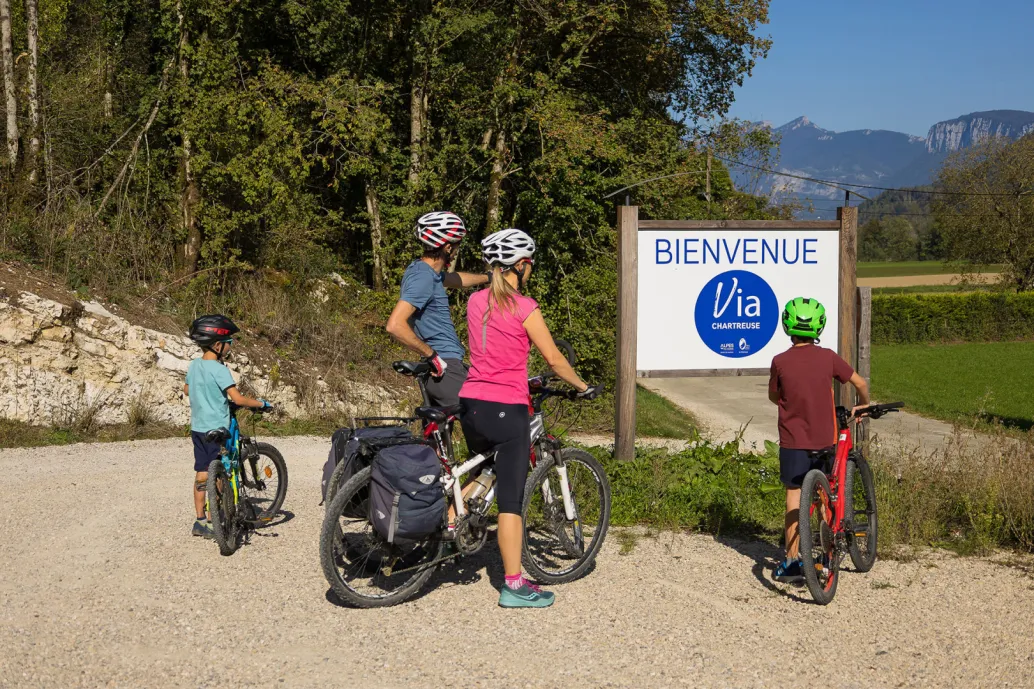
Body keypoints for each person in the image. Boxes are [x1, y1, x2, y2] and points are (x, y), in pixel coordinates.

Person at [458, 228, 600, 608]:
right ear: (520, 265)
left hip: (471, 403)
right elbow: (554, 359)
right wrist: (583, 386)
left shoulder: (475, 302)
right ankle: (514, 586)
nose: (531, 269)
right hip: (506, 408)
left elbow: (492, 354)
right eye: (530, 264)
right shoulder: (525, 307)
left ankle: (448, 523)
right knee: (510, 501)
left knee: (482, 472)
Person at [767, 297, 869, 582]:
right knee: (825, 495)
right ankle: (828, 556)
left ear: (787, 326)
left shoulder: (779, 361)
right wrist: (862, 404)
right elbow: (860, 383)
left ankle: (791, 561)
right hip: (825, 439)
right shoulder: (828, 357)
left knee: (794, 495)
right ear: (818, 327)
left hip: (792, 441)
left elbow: (774, 396)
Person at [386, 211, 488, 407]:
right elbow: (395, 325)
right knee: (486, 415)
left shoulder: (425, 272)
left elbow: (455, 279)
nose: (457, 250)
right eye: (457, 245)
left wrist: (488, 278)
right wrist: (432, 356)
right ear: (448, 247)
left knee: (441, 428)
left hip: (444, 367)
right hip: (446, 367)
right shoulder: (423, 277)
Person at [184, 315, 272, 539]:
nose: (230, 346)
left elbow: (187, 389)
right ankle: (214, 520)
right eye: (228, 343)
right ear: (217, 345)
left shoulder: (194, 365)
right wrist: (261, 404)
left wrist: (205, 395)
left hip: (198, 428)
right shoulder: (220, 370)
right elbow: (238, 399)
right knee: (219, 470)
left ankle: (200, 521)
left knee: (202, 471)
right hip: (217, 428)